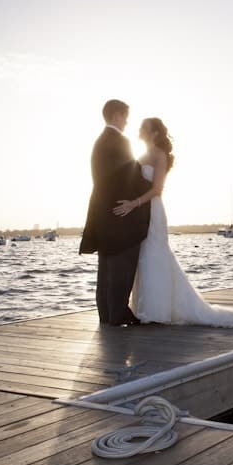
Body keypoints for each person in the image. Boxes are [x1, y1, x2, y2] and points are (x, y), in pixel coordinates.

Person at [115, 118, 233, 327]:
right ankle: (143, 308)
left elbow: (157, 189)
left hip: (152, 209)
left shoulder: (159, 155)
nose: (139, 130)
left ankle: (157, 311)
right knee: (144, 258)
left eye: (143, 128)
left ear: (155, 133)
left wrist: (133, 203)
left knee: (155, 255)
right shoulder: (140, 155)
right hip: (139, 211)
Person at [79, 99, 152, 326]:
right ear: (116, 115)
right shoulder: (119, 141)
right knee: (121, 267)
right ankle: (118, 314)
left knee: (106, 271)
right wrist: (149, 189)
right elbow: (130, 174)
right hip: (121, 216)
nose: (127, 121)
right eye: (125, 116)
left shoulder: (99, 141)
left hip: (102, 215)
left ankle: (106, 315)